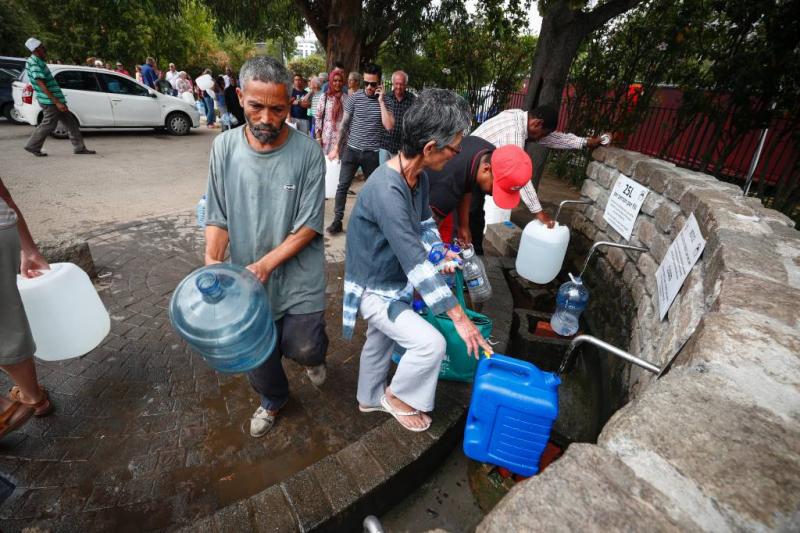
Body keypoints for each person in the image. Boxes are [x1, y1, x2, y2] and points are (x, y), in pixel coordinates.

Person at [343, 89, 493, 432]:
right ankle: (397, 397)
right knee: (431, 343)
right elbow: (414, 259)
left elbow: (426, 229)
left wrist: (442, 254)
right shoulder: (387, 190)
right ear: (429, 149)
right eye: (454, 148)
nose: (456, 155)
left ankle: (368, 399)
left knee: (379, 342)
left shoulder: (418, 178)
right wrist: (459, 316)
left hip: (394, 282)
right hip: (374, 290)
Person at [204, 56, 328, 439]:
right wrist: (212, 262)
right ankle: (273, 400)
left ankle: (313, 359)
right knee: (258, 353)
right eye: (256, 106)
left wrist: (266, 265)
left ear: (290, 105)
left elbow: (309, 225)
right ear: (240, 97)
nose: (266, 118)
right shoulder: (223, 148)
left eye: (277, 109)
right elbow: (218, 215)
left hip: (298, 276)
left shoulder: (308, 153)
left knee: (303, 346)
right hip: (246, 280)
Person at [469, 104, 606, 252]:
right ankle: (473, 256)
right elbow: (518, 178)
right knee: (472, 216)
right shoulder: (513, 132)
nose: (542, 139)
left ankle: (474, 252)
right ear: (537, 124)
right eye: (543, 134)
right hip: (470, 171)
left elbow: (553, 139)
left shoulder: (520, 117)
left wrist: (585, 142)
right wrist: (539, 213)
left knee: (474, 216)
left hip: (477, 167)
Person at [0, 178, 54, 439]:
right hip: (3, 229)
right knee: (7, 320)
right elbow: (3, 193)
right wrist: (28, 247)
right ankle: (33, 396)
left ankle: (24, 402)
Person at [427, 137, 551, 245]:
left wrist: (463, 226)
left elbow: (467, 186)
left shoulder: (488, 153)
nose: (493, 194)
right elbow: (425, 230)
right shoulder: (447, 187)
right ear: (487, 169)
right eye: (495, 188)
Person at [326, 63, 395, 235]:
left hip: (371, 153)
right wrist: (336, 148)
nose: (369, 87)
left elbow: (388, 126)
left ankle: (371, 221)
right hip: (351, 150)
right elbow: (344, 125)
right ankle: (337, 220)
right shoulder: (354, 98)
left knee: (373, 189)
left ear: (380, 83)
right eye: (367, 83)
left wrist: (380, 102)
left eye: (373, 84)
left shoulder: (386, 101)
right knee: (342, 186)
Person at [22, 38, 95, 157]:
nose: (45, 49)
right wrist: (56, 102)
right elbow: (41, 84)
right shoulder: (34, 62)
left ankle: (79, 148)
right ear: (36, 50)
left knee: (71, 123)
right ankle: (32, 145)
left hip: (54, 100)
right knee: (48, 124)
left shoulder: (37, 61)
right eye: (42, 47)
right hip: (51, 101)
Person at [379, 70, 415, 164]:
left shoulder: (413, 100)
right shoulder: (386, 98)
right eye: (396, 84)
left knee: (398, 176)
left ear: (406, 85)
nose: (398, 87)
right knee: (384, 174)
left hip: (402, 148)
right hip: (385, 145)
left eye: (402, 84)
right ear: (393, 83)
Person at [314, 68, 347, 157]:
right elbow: (318, 117)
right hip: (326, 138)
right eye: (335, 80)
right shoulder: (324, 97)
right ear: (331, 81)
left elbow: (348, 120)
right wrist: (318, 137)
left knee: (338, 164)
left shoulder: (346, 98)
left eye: (340, 81)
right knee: (326, 164)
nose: (337, 83)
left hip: (340, 138)